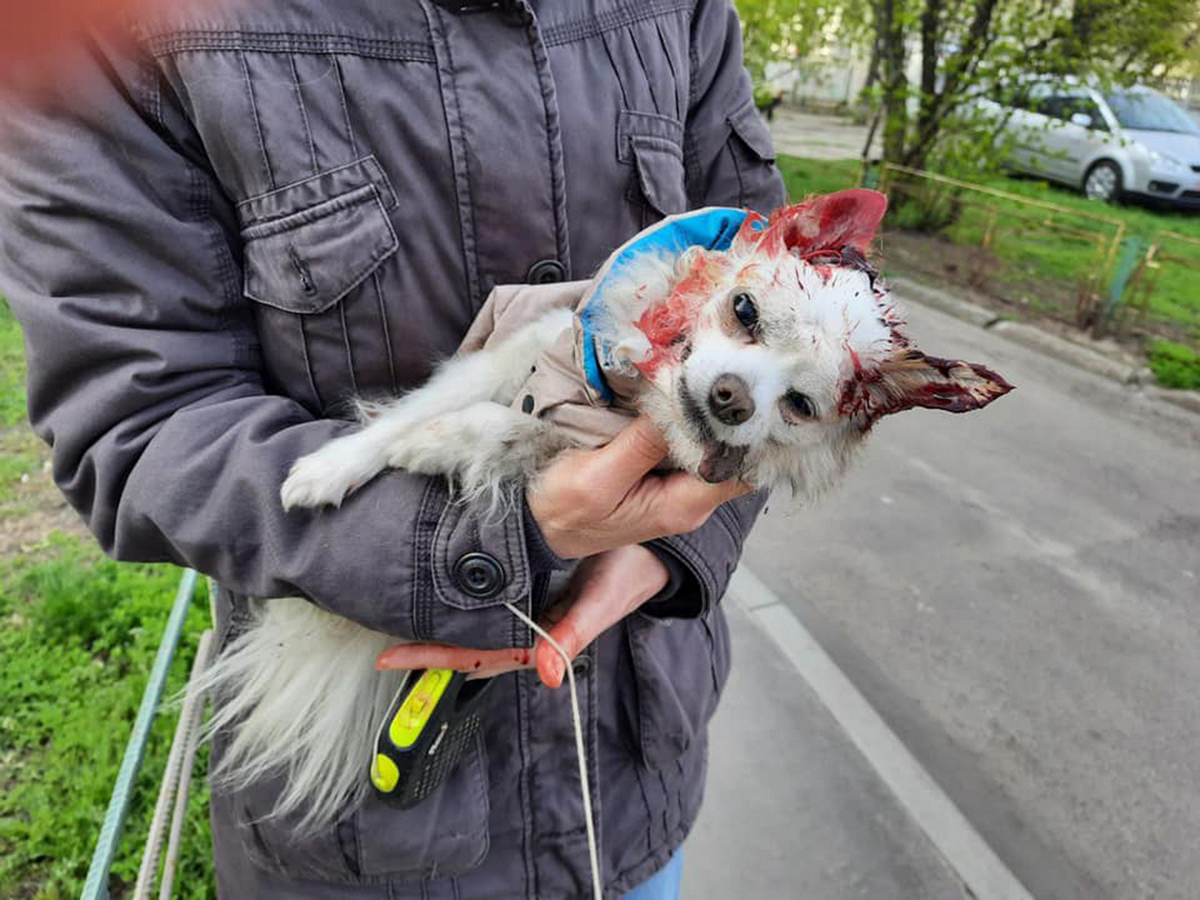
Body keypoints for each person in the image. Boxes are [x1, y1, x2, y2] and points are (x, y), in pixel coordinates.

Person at [0, 0, 786, 896]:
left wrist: (671, 543)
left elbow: (790, 297)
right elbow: (137, 423)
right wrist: (485, 548)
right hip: (356, 826)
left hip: (635, 792)